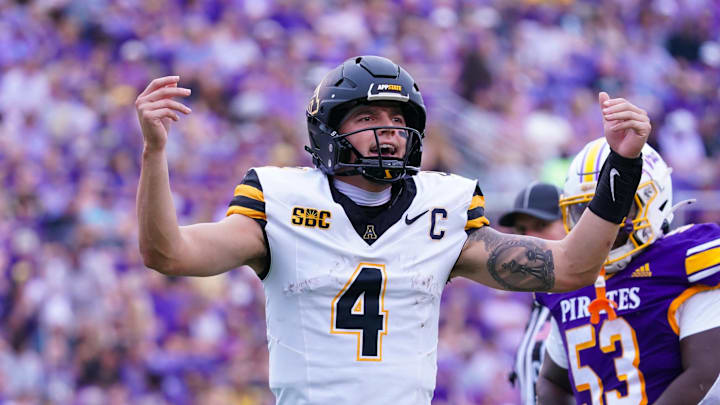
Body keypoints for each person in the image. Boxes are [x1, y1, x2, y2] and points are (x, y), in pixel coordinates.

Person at [135, 55, 651, 404]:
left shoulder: (444, 209)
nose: (387, 130)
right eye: (367, 116)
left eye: (396, 116)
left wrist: (622, 168)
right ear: (330, 129)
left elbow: (572, 268)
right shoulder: (282, 201)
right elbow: (169, 254)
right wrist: (155, 154)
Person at [535, 138, 720, 405]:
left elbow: (704, 374)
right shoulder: (569, 281)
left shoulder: (687, 263)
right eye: (585, 211)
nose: (601, 224)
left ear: (653, 201)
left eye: (618, 208)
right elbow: (552, 380)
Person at [499, 182, 566, 405]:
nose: (527, 238)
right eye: (520, 230)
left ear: (571, 224)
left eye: (541, 225)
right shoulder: (539, 300)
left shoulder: (589, 295)